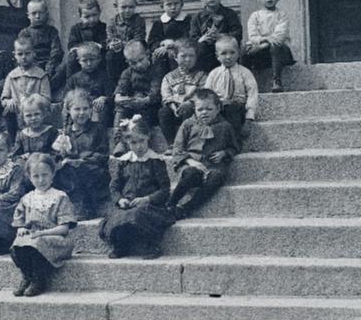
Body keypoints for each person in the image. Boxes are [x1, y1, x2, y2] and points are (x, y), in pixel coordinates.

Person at [99, 114, 174, 259]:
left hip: (150, 206)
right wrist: (120, 199)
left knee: (137, 214)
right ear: (127, 142)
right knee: (117, 216)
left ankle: (151, 245)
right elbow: (114, 187)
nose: (138, 146)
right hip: (128, 204)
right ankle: (121, 244)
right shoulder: (124, 162)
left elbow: (165, 190)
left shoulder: (155, 161)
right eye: (133, 142)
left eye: (142, 141)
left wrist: (147, 199)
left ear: (148, 138)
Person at [10, 153, 77, 297]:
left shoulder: (60, 197)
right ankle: (28, 276)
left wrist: (42, 233)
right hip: (34, 237)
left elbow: (64, 229)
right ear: (29, 177)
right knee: (18, 244)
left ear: (53, 174)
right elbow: (20, 220)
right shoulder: (27, 199)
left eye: (45, 175)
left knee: (36, 242)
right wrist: (21, 228)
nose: (41, 180)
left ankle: (39, 280)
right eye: (36, 176)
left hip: (56, 238)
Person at [168, 89, 239, 219]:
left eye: (209, 109)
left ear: (218, 108)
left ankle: (187, 207)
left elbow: (234, 147)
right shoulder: (188, 124)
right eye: (200, 109)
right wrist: (190, 161)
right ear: (194, 109)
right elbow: (177, 149)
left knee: (217, 177)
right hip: (191, 163)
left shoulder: (225, 126)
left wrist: (224, 153)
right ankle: (170, 203)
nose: (204, 112)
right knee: (190, 174)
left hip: (213, 165)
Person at [52, 89, 110, 219]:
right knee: (59, 170)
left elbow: (102, 155)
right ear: (68, 110)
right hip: (71, 172)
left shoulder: (97, 129)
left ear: (91, 110)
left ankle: (85, 207)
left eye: (85, 108)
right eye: (77, 109)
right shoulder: (65, 133)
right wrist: (62, 154)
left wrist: (83, 160)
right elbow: (58, 156)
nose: (82, 113)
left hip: (93, 170)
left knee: (79, 170)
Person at [242, 0, 296, 93]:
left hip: (278, 52)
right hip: (261, 51)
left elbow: (279, 36)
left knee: (275, 45)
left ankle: (277, 81)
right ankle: (245, 83)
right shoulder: (254, 16)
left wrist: (265, 43)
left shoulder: (281, 15)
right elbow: (253, 35)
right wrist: (263, 40)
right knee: (243, 51)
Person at [113, 39, 163, 155]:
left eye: (141, 60)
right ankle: (119, 142)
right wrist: (128, 100)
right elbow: (118, 96)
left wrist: (143, 101)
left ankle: (142, 141)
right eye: (133, 63)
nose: (138, 65)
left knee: (147, 112)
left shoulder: (156, 70)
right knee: (120, 110)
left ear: (148, 54)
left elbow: (155, 94)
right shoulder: (127, 72)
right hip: (133, 103)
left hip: (150, 105)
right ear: (127, 62)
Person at [205, 35, 259, 141]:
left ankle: (233, 144)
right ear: (217, 56)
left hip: (238, 107)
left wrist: (249, 118)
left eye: (232, 52)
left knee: (232, 110)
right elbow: (208, 94)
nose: (228, 57)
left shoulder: (245, 73)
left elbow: (252, 95)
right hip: (219, 108)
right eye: (224, 53)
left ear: (238, 53)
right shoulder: (214, 74)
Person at [1, 35, 52, 143]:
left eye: (27, 53)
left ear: (34, 53)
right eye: (20, 54)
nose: (24, 57)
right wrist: (8, 101)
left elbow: (47, 99)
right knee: (7, 112)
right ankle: (14, 141)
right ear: (14, 55)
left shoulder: (41, 75)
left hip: (35, 114)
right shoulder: (12, 76)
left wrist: (35, 99)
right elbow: (4, 98)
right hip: (18, 113)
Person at [158, 40, 208, 150]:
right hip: (174, 108)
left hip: (192, 108)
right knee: (163, 112)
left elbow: (203, 93)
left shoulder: (201, 76)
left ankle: (186, 142)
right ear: (175, 57)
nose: (188, 59)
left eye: (191, 56)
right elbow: (166, 94)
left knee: (188, 110)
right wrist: (172, 106)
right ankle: (171, 143)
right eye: (183, 56)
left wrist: (190, 102)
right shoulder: (169, 77)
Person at [189, 0, 243, 73]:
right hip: (205, 54)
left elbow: (237, 34)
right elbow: (193, 39)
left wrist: (221, 36)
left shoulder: (230, 14)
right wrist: (202, 39)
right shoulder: (196, 18)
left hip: (225, 53)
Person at [18, 0, 64, 94]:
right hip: (33, 63)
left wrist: (51, 64)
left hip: (50, 63)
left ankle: (48, 90)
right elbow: (23, 51)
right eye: (34, 13)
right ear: (28, 15)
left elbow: (56, 50)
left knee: (62, 70)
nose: (38, 16)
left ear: (46, 14)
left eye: (41, 13)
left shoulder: (52, 31)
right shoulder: (25, 33)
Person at [63, 41, 113, 124]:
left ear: (99, 59)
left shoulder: (104, 77)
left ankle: (95, 132)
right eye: (84, 60)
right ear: (78, 61)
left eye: (92, 60)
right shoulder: (74, 78)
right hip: (80, 108)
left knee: (100, 109)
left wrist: (104, 98)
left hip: (96, 109)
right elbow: (66, 96)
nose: (89, 63)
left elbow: (111, 94)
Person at [106, 0, 146, 85]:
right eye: (123, 7)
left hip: (135, 49)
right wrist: (112, 44)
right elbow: (109, 38)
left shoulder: (138, 20)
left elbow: (139, 39)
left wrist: (123, 44)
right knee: (110, 56)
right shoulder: (112, 22)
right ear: (116, 7)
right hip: (118, 52)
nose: (127, 10)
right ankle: (114, 85)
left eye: (131, 7)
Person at [148, 0, 191, 74]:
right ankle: (159, 82)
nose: (173, 7)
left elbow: (188, 38)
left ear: (182, 4)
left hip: (181, 51)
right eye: (169, 4)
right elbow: (151, 42)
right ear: (162, 6)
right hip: (163, 56)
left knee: (173, 54)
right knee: (157, 56)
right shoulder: (159, 23)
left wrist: (173, 44)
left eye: (176, 4)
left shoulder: (187, 20)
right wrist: (162, 44)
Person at [65, 0, 108, 80]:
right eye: (87, 17)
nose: (91, 19)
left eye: (94, 15)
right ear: (80, 16)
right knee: (70, 60)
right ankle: (71, 83)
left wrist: (99, 46)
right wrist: (80, 49)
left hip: (98, 57)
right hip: (82, 58)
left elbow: (106, 41)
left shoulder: (104, 27)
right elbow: (71, 44)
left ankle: (107, 82)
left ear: (99, 13)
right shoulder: (76, 29)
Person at [11, 93, 59, 161]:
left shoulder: (51, 132)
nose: (33, 118)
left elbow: (56, 154)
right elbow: (15, 156)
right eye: (28, 115)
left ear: (43, 114)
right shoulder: (21, 135)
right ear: (23, 117)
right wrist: (23, 156)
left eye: (37, 114)